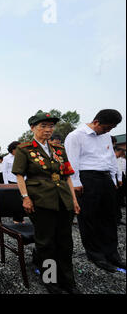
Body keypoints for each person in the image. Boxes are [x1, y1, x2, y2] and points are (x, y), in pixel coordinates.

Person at [12, 111, 81, 294]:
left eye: (51, 126)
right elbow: (19, 175)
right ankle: (50, 280)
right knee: (46, 243)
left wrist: (73, 199)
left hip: (63, 200)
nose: (48, 129)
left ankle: (68, 280)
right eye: (43, 126)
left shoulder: (59, 150)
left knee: (65, 242)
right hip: (41, 200)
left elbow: (67, 176)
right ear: (33, 128)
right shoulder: (25, 149)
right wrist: (25, 197)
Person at [65, 109, 126, 272]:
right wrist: (76, 182)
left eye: (111, 128)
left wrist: (113, 178)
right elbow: (71, 161)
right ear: (96, 122)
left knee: (109, 217)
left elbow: (111, 158)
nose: (108, 131)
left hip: (105, 178)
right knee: (90, 217)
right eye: (106, 128)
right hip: (87, 179)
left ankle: (112, 253)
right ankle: (95, 254)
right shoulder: (75, 136)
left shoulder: (105, 135)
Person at [2, 141, 24, 224]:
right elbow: (4, 171)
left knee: (22, 200)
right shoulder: (6, 158)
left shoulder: (22, 157)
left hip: (22, 181)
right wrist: (6, 184)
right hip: (12, 181)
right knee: (15, 201)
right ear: (12, 149)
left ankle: (21, 218)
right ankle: (16, 218)